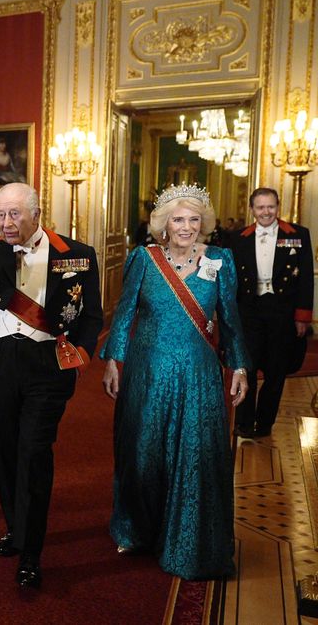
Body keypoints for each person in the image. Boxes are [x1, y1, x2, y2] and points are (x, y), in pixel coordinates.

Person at [0, 182, 103, 588]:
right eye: (0, 214)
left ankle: (32, 553)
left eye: (15, 214)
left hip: (47, 363)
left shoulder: (75, 254)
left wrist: (80, 357)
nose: (6, 223)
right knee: (3, 450)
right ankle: (16, 529)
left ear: (36, 214)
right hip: (2, 361)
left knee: (34, 452)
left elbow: (91, 314)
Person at [100, 184, 249, 581]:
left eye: (194, 219)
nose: (186, 227)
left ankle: (189, 542)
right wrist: (113, 360)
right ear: (163, 225)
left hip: (198, 376)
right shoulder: (144, 259)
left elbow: (230, 320)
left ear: (204, 223)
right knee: (143, 454)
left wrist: (238, 367)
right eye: (178, 220)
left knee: (195, 458)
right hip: (147, 373)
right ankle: (136, 530)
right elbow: (124, 313)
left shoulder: (219, 260)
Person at [228, 188, 314, 438]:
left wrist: (302, 316)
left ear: (278, 206)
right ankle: (244, 422)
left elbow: (306, 279)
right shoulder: (238, 238)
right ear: (252, 209)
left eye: (271, 207)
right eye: (260, 207)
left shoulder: (297, 235)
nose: (266, 212)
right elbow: (231, 281)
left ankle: (264, 423)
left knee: (276, 370)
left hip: (282, 311)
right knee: (247, 367)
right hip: (249, 311)